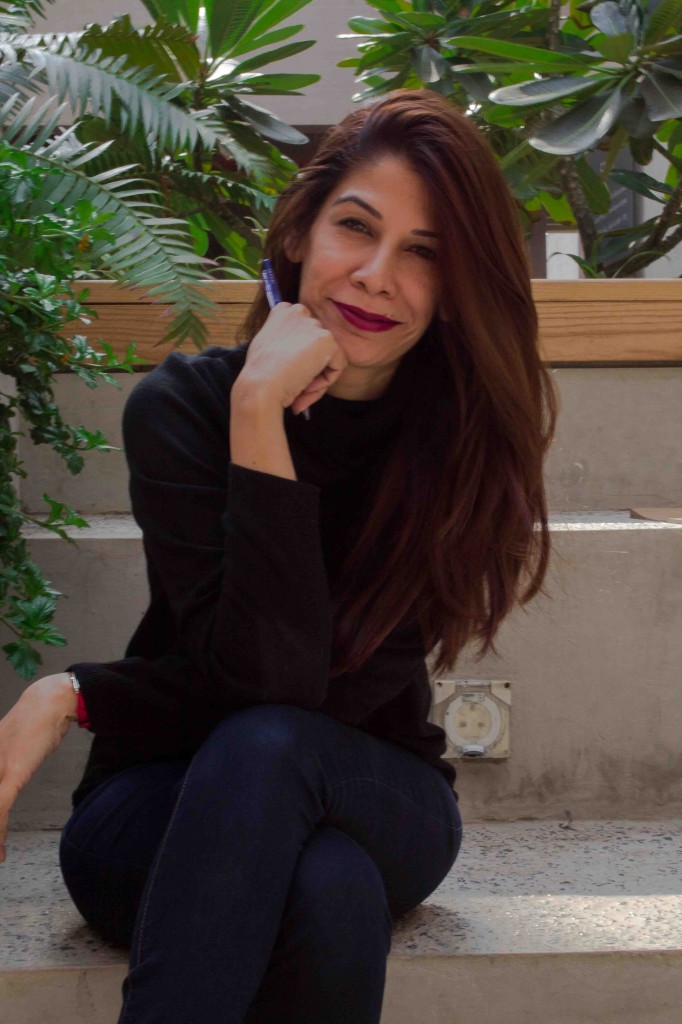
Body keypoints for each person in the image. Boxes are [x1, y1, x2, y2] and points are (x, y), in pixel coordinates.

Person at [0, 90, 557, 1022]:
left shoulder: (456, 446)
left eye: (424, 253)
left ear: (458, 287)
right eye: (356, 228)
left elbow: (299, 692)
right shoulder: (183, 408)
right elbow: (253, 675)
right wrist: (254, 406)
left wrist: (80, 693)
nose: (377, 276)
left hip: (375, 787)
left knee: (275, 746)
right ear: (298, 233)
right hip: (157, 801)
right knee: (329, 887)